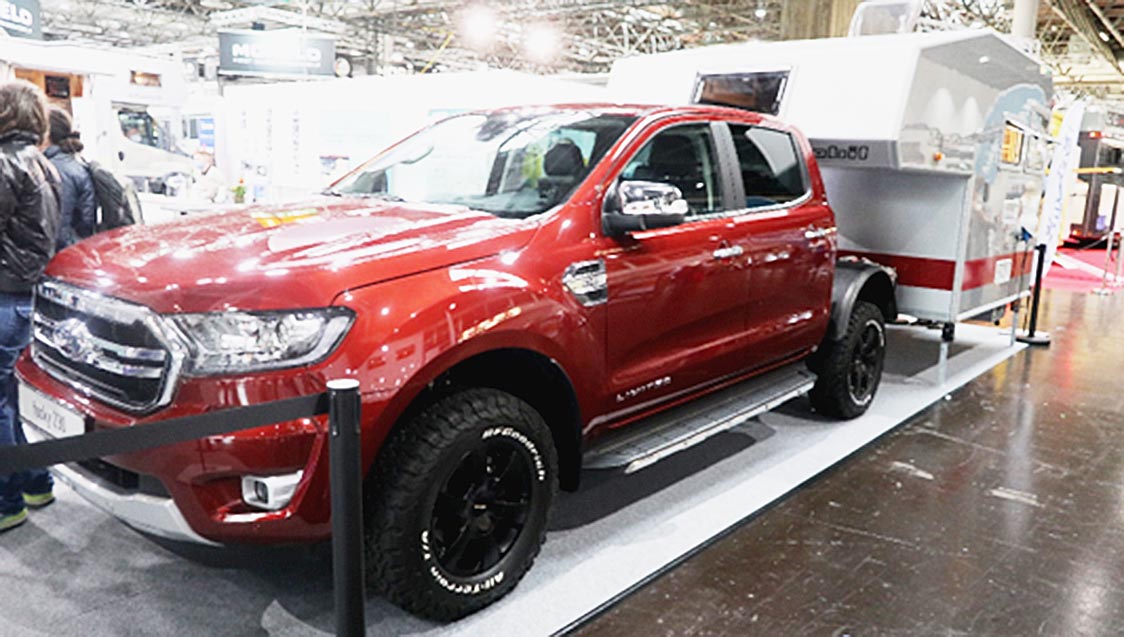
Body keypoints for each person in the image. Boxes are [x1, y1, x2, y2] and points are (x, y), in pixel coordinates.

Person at [0, 80, 61, 533]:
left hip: (4, 297)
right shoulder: (43, 163)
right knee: (13, 399)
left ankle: (6, 502)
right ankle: (37, 481)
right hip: (29, 296)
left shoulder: (5, 163)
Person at [45, 107, 96, 250]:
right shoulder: (74, 163)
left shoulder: (56, 169)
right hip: (76, 246)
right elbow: (86, 221)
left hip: (60, 253)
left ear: (46, 134)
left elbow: (59, 228)